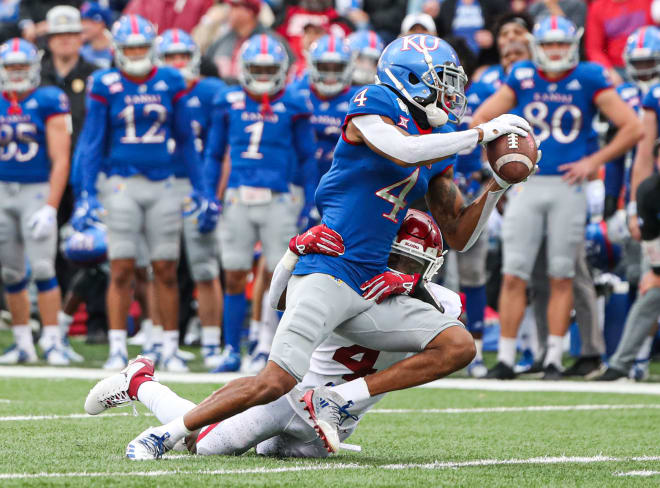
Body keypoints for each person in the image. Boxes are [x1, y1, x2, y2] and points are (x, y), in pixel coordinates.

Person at [109, 33, 535, 459]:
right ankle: (159, 432)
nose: (452, 94)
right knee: (271, 383)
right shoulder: (375, 101)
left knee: (458, 345)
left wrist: (498, 185)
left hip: (370, 285)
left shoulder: (439, 145)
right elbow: (400, 149)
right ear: (410, 80)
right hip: (331, 270)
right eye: (443, 81)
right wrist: (481, 133)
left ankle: (337, 401)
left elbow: (457, 235)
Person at [85, 210, 462, 459]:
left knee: (263, 452)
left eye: (412, 264)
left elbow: (450, 320)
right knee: (201, 444)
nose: (399, 269)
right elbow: (280, 300)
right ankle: (141, 384)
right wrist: (291, 256)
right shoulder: (341, 283)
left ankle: (143, 383)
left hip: (337, 422)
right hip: (290, 396)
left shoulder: (439, 302)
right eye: (394, 260)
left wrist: (409, 283)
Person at [473, 16, 643, 380]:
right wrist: (503, 163)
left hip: (569, 185)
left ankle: (553, 358)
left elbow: (632, 126)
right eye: (548, 44)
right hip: (528, 183)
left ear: (573, 45)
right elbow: (483, 119)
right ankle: (504, 358)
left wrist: (593, 161)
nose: (554, 51)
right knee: (513, 272)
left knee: (561, 274)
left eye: (561, 45)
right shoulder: (521, 75)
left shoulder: (590, 75)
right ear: (537, 46)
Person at [72, 14, 210, 371]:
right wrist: (86, 191)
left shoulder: (170, 79)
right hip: (121, 183)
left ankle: (169, 345)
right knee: (121, 267)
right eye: (129, 47)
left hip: (163, 182)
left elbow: (185, 142)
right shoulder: (105, 83)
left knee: (165, 267)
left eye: (141, 47)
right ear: (117, 50)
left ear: (152, 48)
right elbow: (91, 142)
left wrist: (201, 187)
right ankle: (118, 347)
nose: (135, 53)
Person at [202, 33, 318, 372]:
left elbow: (308, 158)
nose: (264, 76)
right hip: (238, 196)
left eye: (270, 69)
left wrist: (312, 200)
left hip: (279, 198)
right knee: (234, 273)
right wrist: (210, 193)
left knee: (278, 277)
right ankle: (230, 349)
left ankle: (269, 346)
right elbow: (213, 153)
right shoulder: (229, 101)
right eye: (257, 69)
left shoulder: (294, 103)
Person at [454, 11, 533, 378]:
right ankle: (453, 351)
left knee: (477, 273)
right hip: (459, 184)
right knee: (445, 274)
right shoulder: (481, 88)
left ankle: (488, 353)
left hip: (490, 184)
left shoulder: (501, 90)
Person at [154, 28, 226, 370]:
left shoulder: (212, 92)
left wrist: (213, 192)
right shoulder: (152, 91)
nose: (178, 64)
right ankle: (158, 337)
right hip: (163, 184)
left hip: (198, 185)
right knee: (160, 264)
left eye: (183, 56)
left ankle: (212, 341)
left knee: (205, 267)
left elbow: (222, 148)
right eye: (170, 57)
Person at [0, 38, 73, 365]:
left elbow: (61, 158)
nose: (16, 73)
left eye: (21, 66)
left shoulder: (48, 98)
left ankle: (53, 340)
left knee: (43, 267)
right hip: (3, 190)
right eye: (10, 67)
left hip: (37, 190)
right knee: (11, 272)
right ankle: (22, 343)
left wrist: (51, 206)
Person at [585, 0, 655, 86]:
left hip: (649, 62)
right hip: (617, 69)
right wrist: (609, 71)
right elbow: (594, 49)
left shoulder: (648, 2)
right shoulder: (597, 8)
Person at [80, 1, 114, 69]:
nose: (81, 26)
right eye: (81, 21)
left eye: (86, 21)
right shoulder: (80, 52)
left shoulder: (115, 52)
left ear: (100, 24)